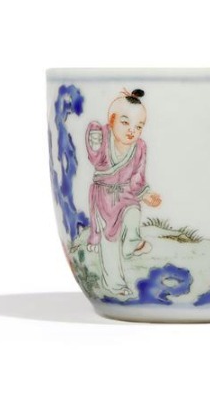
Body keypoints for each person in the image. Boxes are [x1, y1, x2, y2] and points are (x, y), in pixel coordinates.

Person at [85, 88, 161, 298]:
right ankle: (115, 285)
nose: (132, 131)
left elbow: (137, 177)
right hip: (104, 196)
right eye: (125, 123)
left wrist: (145, 194)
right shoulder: (102, 139)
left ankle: (131, 244)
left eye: (139, 126)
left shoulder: (140, 147)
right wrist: (95, 139)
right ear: (111, 121)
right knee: (109, 242)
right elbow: (94, 157)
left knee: (133, 212)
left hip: (126, 194)